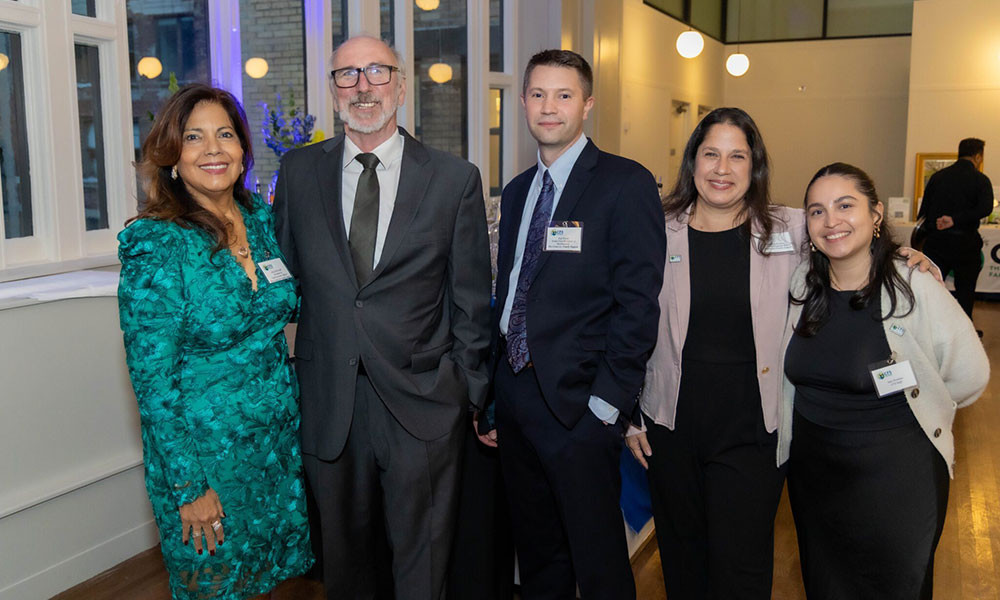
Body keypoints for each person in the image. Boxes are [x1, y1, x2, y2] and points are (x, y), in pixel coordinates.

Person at [625, 108, 938, 599]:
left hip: (756, 430)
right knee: (682, 564)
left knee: (741, 568)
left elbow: (847, 236)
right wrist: (630, 415)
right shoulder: (655, 228)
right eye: (710, 154)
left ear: (755, 166)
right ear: (692, 161)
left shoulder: (789, 228)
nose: (722, 169)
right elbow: (624, 320)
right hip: (669, 426)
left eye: (737, 156)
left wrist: (906, 255)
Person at [272, 35, 492, 600]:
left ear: (401, 85)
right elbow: (283, 284)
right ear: (333, 90)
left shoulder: (453, 179)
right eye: (347, 74)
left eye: (376, 71)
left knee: (424, 563)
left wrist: (464, 390)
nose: (363, 86)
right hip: (330, 402)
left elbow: (471, 299)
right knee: (345, 567)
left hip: (423, 403)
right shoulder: (298, 173)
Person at [480, 49, 666, 598]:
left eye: (564, 95)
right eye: (538, 95)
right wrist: (493, 394)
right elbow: (509, 292)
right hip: (516, 397)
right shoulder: (518, 191)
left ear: (587, 104)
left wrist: (607, 405)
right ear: (522, 102)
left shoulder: (625, 183)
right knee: (540, 557)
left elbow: (639, 305)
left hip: (582, 405)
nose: (549, 107)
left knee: (598, 562)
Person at [117, 84, 313, 600]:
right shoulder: (158, 243)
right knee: (217, 587)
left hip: (273, 450)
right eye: (193, 137)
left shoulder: (263, 222)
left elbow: (295, 304)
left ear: (243, 149)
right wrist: (189, 486)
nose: (212, 149)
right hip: (205, 456)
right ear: (172, 157)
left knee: (269, 584)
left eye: (225, 134)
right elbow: (153, 383)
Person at [781, 162, 989, 599]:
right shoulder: (801, 283)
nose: (831, 220)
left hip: (897, 478)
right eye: (817, 211)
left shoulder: (913, 284)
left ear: (876, 214)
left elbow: (970, 375)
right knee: (826, 585)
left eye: (845, 205)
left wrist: (921, 403)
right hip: (815, 476)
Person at [917, 137, 993, 320]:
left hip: (937, 243)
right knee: (965, 292)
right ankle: (964, 329)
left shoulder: (938, 177)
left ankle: (929, 327)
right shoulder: (980, 180)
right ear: (978, 156)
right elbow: (986, 209)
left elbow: (924, 211)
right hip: (966, 243)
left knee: (932, 289)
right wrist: (956, 220)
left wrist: (937, 225)